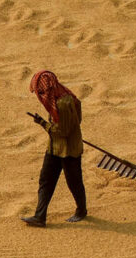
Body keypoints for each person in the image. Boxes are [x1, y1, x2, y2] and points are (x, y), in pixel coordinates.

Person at [22, 70, 87, 228]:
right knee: (46, 180)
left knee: (74, 182)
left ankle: (81, 211)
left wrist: (43, 124)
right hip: (54, 148)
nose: (41, 96)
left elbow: (62, 131)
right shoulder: (61, 95)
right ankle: (39, 216)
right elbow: (77, 115)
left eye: (41, 92)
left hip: (69, 150)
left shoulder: (62, 103)